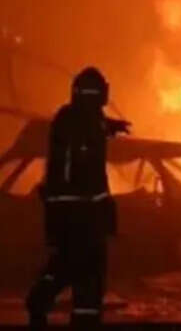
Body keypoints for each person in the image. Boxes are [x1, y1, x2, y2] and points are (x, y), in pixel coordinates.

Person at [25, 67, 129, 329]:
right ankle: (52, 305)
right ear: (96, 93)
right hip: (78, 217)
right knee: (79, 270)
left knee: (74, 268)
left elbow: (92, 129)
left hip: (85, 216)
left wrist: (110, 127)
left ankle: (50, 304)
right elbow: (75, 170)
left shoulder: (81, 119)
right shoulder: (74, 122)